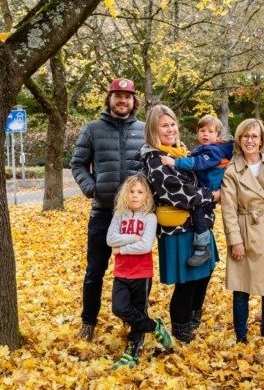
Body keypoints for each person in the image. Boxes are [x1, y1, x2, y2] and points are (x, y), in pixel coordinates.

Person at [71, 77, 145, 342]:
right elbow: (78, 164)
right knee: (95, 271)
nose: (122, 100)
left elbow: (152, 166)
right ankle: (88, 321)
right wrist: (93, 189)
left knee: (134, 272)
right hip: (102, 212)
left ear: (134, 100)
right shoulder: (92, 129)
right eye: (117, 96)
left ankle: (133, 319)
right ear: (109, 99)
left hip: (134, 215)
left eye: (127, 96)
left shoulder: (145, 130)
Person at [140, 104, 219, 343]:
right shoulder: (155, 159)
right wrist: (214, 196)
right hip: (179, 228)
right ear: (153, 130)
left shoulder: (182, 153)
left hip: (200, 225)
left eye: (173, 124)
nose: (171, 129)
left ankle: (194, 318)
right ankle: (181, 327)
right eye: (164, 125)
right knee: (187, 281)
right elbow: (181, 195)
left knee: (204, 274)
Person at [220, 118, 264, 343]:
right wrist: (235, 241)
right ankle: (241, 336)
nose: (250, 140)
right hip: (245, 230)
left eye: (254, 136)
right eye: (245, 136)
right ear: (239, 139)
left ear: (261, 140)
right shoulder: (232, 170)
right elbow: (228, 210)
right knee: (241, 287)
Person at [106, 174, 172, 369]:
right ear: (125, 195)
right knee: (119, 308)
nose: (135, 195)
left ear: (147, 196)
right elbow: (110, 239)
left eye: (140, 192)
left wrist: (121, 248)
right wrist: (133, 237)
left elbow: (145, 246)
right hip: (121, 273)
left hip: (141, 274)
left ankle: (132, 352)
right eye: (131, 191)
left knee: (138, 310)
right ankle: (155, 326)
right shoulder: (119, 215)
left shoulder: (150, 218)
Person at [160, 115, 233, 267]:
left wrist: (175, 162)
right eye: (202, 130)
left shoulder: (214, 152)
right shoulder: (203, 149)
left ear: (218, 135)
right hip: (203, 189)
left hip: (210, 190)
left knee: (198, 213)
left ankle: (203, 247)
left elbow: (198, 163)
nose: (205, 134)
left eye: (210, 131)